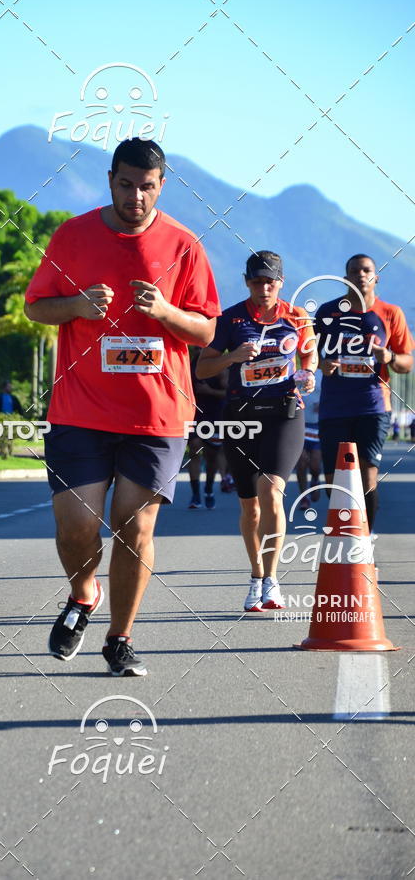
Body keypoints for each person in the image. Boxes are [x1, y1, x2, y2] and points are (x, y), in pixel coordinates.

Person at [24, 137, 220, 676]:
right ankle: (83, 594)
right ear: (110, 179)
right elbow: (36, 307)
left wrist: (165, 312)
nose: (137, 197)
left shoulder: (184, 245)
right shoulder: (73, 235)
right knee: (75, 526)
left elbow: (206, 328)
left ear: (163, 185)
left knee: (134, 529)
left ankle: (120, 638)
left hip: (156, 415)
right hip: (79, 410)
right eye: (127, 185)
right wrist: (78, 305)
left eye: (148, 187)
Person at [197, 251, 317, 611]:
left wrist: (308, 375)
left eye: (270, 281)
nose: (264, 288)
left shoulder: (296, 317)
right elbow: (202, 369)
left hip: (284, 415)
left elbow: (309, 357)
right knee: (249, 508)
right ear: (246, 281)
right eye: (256, 281)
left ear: (281, 283)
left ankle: (272, 580)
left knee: (272, 490)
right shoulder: (230, 319)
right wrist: (232, 358)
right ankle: (256, 578)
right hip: (241, 418)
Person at [315, 254, 414, 530]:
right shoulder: (326, 312)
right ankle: (341, 540)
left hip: (373, 407)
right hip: (334, 407)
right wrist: (321, 363)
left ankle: (363, 544)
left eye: (367, 270)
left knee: (367, 477)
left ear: (376, 276)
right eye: (355, 271)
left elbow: (407, 362)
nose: (361, 275)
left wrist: (389, 357)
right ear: (345, 278)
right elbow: (307, 353)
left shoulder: (390, 313)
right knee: (335, 480)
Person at [187, 355, 229, 509]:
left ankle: (209, 489)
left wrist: (209, 391)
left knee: (211, 456)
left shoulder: (220, 364)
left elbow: (228, 393)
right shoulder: (189, 363)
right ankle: (195, 494)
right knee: (194, 448)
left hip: (215, 415)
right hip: (194, 414)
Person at [295, 368, 322, 509]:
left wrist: (323, 403)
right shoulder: (296, 372)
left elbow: (333, 394)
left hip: (317, 425)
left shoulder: (323, 374)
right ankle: (304, 497)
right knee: (301, 463)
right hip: (300, 424)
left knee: (315, 465)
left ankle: (315, 479)